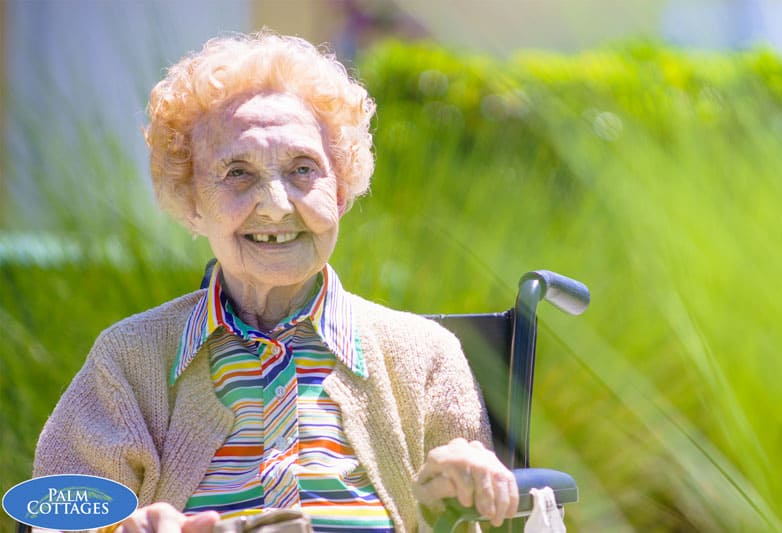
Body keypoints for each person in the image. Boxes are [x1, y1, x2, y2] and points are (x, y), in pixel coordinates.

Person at [34, 31, 519, 532]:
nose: (276, 204)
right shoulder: (129, 362)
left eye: (302, 169)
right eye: (237, 172)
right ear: (192, 202)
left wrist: (471, 488)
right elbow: (53, 519)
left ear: (343, 188)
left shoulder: (424, 359)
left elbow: (474, 519)